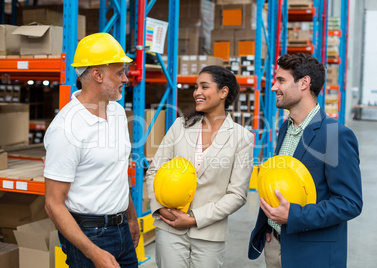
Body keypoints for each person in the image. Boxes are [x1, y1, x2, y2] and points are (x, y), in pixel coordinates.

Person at [248, 53, 363, 268]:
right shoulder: (285, 128)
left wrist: (293, 215)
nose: (274, 87)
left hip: (311, 253)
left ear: (304, 83)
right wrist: (270, 226)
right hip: (276, 245)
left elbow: (350, 203)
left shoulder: (335, 135)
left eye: (281, 80)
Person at [44, 32, 140, 268]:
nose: (126, 79)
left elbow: (116, 172)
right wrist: (93, 253)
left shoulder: (117, 112)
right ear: (97, 74)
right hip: (88, 236)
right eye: (119, 73)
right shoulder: (67, 128)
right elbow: (53, 204)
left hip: (122, 231)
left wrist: (131, 217)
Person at [145, 65, 254, 268]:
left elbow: (237, 194)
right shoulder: (180, 126)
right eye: (196, 87)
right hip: (169, 227)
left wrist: (194, 218)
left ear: (223, 92)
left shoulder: (242, 138)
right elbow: (154, 171)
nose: (197, 93)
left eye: (204, 87)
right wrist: (161, 208)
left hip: (209, 233)